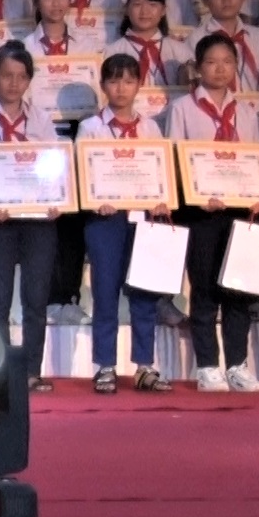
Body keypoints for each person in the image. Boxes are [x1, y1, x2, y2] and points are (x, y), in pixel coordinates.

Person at [161, 33, 259, 393]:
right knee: (205, 289)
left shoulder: (246, 112)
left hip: (239, 211)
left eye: (227, 62)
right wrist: (196, 197)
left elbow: (256, 160)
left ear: (236, 67)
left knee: (238, 290)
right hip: (201, 212)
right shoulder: (182, 108)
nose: (220, 69)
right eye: (211, 62)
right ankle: (208, 366)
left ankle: (238, 365)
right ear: (198, 68)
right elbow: (175, 159)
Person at [0, 42, 61, 392]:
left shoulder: (42, 119)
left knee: (35, 300)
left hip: (38, 222)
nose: (14, 83)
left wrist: (56, 200)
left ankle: (31, 370)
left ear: (29, 81)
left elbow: (54, 168)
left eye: (21, 77)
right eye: (7, 75)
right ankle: (1, 374)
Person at [75, 54, 172, 394]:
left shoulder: (150, 127)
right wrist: (95, 198)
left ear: (139, 85)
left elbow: (160, 171)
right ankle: (105, 365)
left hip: (142, 217)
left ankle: (144, 365)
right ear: (103, 85)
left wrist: (162, 199)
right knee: (105, 291)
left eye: (129, 81)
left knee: (144, 293)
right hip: (105, 219)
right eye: (114, 81)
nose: (121, 88)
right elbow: (83, 174)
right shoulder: (90, 127)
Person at [106, 0, 192, 87]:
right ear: (127, 9)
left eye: (152, 4)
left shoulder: (181, 51)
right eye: (137, 4)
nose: (144, 11)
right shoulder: (113, 52)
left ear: (163, 10)